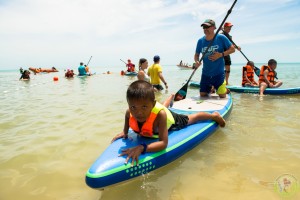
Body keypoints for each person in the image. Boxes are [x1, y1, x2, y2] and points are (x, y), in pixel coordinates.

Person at [111, 80, 226, 166]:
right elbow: (128, 116)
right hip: (157, 109)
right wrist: (124, 132)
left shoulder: (160, 115)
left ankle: (214, 116)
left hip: (172, 119)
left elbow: (163, 144)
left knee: (192, 118)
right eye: (133, 107)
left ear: (152, 104)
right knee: (160, 107)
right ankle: (170, 97)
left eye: (144, 107)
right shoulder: (129, 112)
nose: (138, 112)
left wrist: (141, 148)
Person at [194, 19, 235, 98]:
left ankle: (225, 90)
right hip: (206, 74)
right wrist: (197, 61)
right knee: (203, 95)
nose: (205, 29)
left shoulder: (221, 38)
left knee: (222, 95)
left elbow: (232, 49)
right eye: (204, 27)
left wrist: (221, 54)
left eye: (207, 27)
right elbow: (196, 55)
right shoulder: (200, 41)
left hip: (218, 74)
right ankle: (212, 88)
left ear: (214, 28)